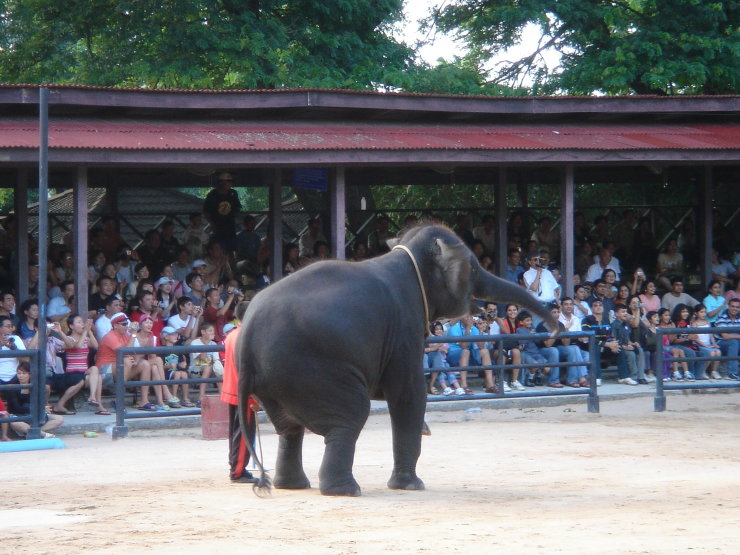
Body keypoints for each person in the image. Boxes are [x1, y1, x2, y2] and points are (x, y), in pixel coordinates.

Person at [221, 301, 258, 483]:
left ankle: (235, 465)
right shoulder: (247, 336)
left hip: (231, 387)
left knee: (236, 431)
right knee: (244, 433)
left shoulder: (232, 335)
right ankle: (237, 471)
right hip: (243, 391)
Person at [96, 312, 159, 412]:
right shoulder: (110, 336)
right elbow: (124, 353)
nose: (126, 326)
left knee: (144, 364)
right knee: (126, 361)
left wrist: (135, 359)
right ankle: (119, 400)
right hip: (104, 371)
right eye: (124, 324)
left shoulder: (126, 336)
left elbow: (133, 353)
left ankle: (144, 401)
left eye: (127, 323)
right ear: (115, 325)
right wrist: (133, 334)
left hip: (119, 369)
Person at [52, 314, 109, 415]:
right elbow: (77, 346)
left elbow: (97, 347)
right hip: (72, 373)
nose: (82, 324)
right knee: (96, 376)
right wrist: (85, 332)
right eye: (79, 322)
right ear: (71, 326)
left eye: (82, 322)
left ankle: (93, 398)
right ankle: (97, 405)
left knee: (95, 370)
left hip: (84, 372)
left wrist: (90, 332)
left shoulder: (85, 338)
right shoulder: (68, 338)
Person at [132, 313, 180, 409]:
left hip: (146, 365)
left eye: (151, 323)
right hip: (134, 365)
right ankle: (165, 392)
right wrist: (145, 349)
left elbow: (152, 357)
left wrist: (149, 347)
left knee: (155, 366)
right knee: (157, 361)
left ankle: (161, 401)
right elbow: (132, 354)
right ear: (141, 325)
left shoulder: (152, 337)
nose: (149, 325)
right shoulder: (134, 335)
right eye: (146, 322)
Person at [5, 363, 63, 439]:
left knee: (59, 419)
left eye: (24, 373)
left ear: (30, 375)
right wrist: (38, 408)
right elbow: (17, 408)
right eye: (19, 373)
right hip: (19, 415)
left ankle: (35, 433)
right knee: (15, 423)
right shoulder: (12, 387)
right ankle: (42, 434)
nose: (21, 376)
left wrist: (43, 408)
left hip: (35, 414)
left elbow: (39, 402)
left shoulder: (35, 386)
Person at [447, 315, 497, 394]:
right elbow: (464, 346)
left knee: (484, 351)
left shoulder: (474, 328)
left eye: (470, 317)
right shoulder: (454, 328)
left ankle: (490, 385)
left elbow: (481, 346)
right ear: (461, 317)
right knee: (466, 351)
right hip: (453, 356)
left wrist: (480, 330)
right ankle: (464, 385)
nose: (469, 319)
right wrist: (467, 328)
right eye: (466, 317)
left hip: (468, 355)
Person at [515, 310, 561, 388]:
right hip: (526, 353)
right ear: (521, 322)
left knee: (547, 368)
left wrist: (536, 335)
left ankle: (538, 377)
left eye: (530, 320)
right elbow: (522, 342)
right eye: (527, 321)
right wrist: (530, 335)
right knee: (534, 365)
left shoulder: (532, 329)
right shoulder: (519, 330)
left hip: (536, 353)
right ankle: (530, 379)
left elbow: (538, 341)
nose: (530, 322)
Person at [581, 299, 620, 386]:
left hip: (604, 346)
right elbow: (589, 337)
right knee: (596, 348)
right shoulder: (586, 320)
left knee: (619, 348)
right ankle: (597, 377)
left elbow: (608, 336)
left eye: (600, 305)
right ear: (591, 308)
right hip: (590, 346)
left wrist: (613, 344)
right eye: (595, 305)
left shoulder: (606, 320)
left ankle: (624, 377)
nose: (598, 307)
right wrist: (606, 344)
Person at [204, 172, 241, 251]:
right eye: (228, 181)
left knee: (231, 252)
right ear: (221, 182)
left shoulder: (233, 193)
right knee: (219, 251)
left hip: (230, 228)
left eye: (230, 181)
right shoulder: (212, 195)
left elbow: (237, 208)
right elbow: (206, 211)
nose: (230, 183)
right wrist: (212, 224)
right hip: (218, 229)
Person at [558, 297, 591, 386]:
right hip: (560, 346)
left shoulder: (576, 319)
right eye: (566, 304)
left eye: (571, 304)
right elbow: (563, 339)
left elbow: (579, 335)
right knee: (574, 349)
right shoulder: (558, 318)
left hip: (574, 346)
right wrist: (567, 329)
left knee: (586, 355)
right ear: (561, 306)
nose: (569, 306)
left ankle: (588, 377)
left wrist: (582, 338)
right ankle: (579, 378)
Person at [522, 251, 560, 323]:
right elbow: (534, 288)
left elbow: (554, 290)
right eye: (535, 259)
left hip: (550, 306)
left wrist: (559, 305)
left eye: (539, 259)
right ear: (530, 262)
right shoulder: (527, 274)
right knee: (539, 329)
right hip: (537, 307)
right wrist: (538, 273)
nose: (538, 261)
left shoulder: (547, 272)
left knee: (550, 328)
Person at [610, 304, 644, 385]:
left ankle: (641, 376)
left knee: (640, 350)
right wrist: (624, 347)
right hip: (619, 348)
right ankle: (633, 376)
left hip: (626, 346)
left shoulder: (626, 324)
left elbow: (627, 339)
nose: (625, 314)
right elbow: (613, 341)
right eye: (623, 312)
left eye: (626, 312)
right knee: (631, 354)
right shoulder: (614, 325)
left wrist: (633, 343)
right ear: (616, 314)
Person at [496, 304, 525, 391]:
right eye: (509, 310)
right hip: (501, 347)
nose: (512, 312)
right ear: (506, 312)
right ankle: (501, 381)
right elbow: (507, 333)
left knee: (516, 352)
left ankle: (514, 381)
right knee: (503, 353)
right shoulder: (503, 321)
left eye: (514, 310)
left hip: (514, 347)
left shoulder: (521, 322)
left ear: (518, 311)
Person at [189, 321, 219, 407]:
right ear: (203, 332)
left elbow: (216, 360)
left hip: (209, 367)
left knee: (219, 371)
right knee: (207, 367)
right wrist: (207, 344)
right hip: (196, 369)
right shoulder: (195, 343)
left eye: (213, 331)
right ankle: (201, 398)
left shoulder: (214, 344)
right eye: (210, 331)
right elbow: (202, 358)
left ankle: (223, 399)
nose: (212, 333)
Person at [690, 304, 722, 380]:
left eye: (704, 312)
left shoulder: (707, 322)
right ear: (696, 313)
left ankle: (714, 371)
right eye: (701, 312)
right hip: (700, 346)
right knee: (711, 353)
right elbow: (696, 339)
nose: (704, 314)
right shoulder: (694, 323)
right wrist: (706, 346)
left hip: (708, 345)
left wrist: (714, 343)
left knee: (718, 352)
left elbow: (710, 335)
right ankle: (702, 371)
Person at [668, 304, 699, 381]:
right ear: (678, 313)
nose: (686, 313)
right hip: (678, 345)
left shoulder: (689, 323)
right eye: (683, 312)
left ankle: (698, 374)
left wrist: (693, 336)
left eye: (686, 311)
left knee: (705, 353)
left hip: (691, 344)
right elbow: (673, 341)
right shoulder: (674, 323)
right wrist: (686, 338)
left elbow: (695, 337)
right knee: (691, 353)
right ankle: (689, 374)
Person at [713, 298, 740, 380]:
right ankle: (731, 373)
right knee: (733, 342)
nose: (735, 309)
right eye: (732, 306)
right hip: (721, 344)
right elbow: (725, 336)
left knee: (735, 342)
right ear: (728, 306)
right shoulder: (722, 317)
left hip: (736, 344)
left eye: (737, 307)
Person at [235, 215, 261, 279]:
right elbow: (237, 251)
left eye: (254, 224)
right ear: (245, 224)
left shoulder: (256, 237)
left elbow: (258, 251)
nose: (253, 226)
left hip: (254, 261)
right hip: (242, 261)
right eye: (251, 224)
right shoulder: (239, 236)